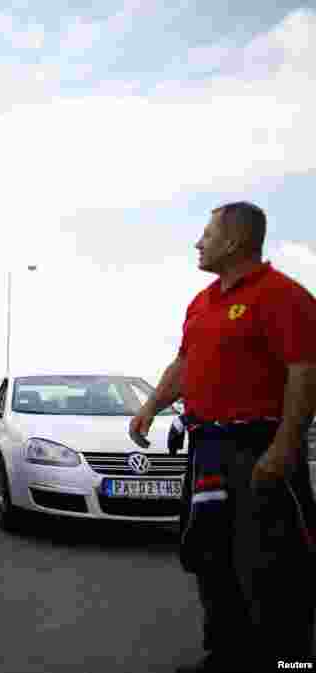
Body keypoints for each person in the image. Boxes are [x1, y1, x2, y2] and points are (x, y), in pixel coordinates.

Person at [129, 202, 316, 672]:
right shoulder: (202, 302)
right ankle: (227, 657)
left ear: (233, 241)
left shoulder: (283, 296)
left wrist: (285, 446)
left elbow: (305, 372)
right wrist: (150, 406)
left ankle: (288, 663)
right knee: (212, 557)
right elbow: (184, 365)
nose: (199, 242)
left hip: (260, 451)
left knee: (274, 565)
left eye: (207, 234)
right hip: (208, 453)